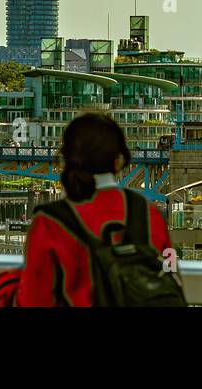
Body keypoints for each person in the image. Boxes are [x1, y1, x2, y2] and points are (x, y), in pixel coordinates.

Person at [14, 113, 180, 306]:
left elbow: (33, 299)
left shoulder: (49, 222)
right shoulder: (148, 213)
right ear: (118, 161)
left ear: (65, 160)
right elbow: (171, 269)